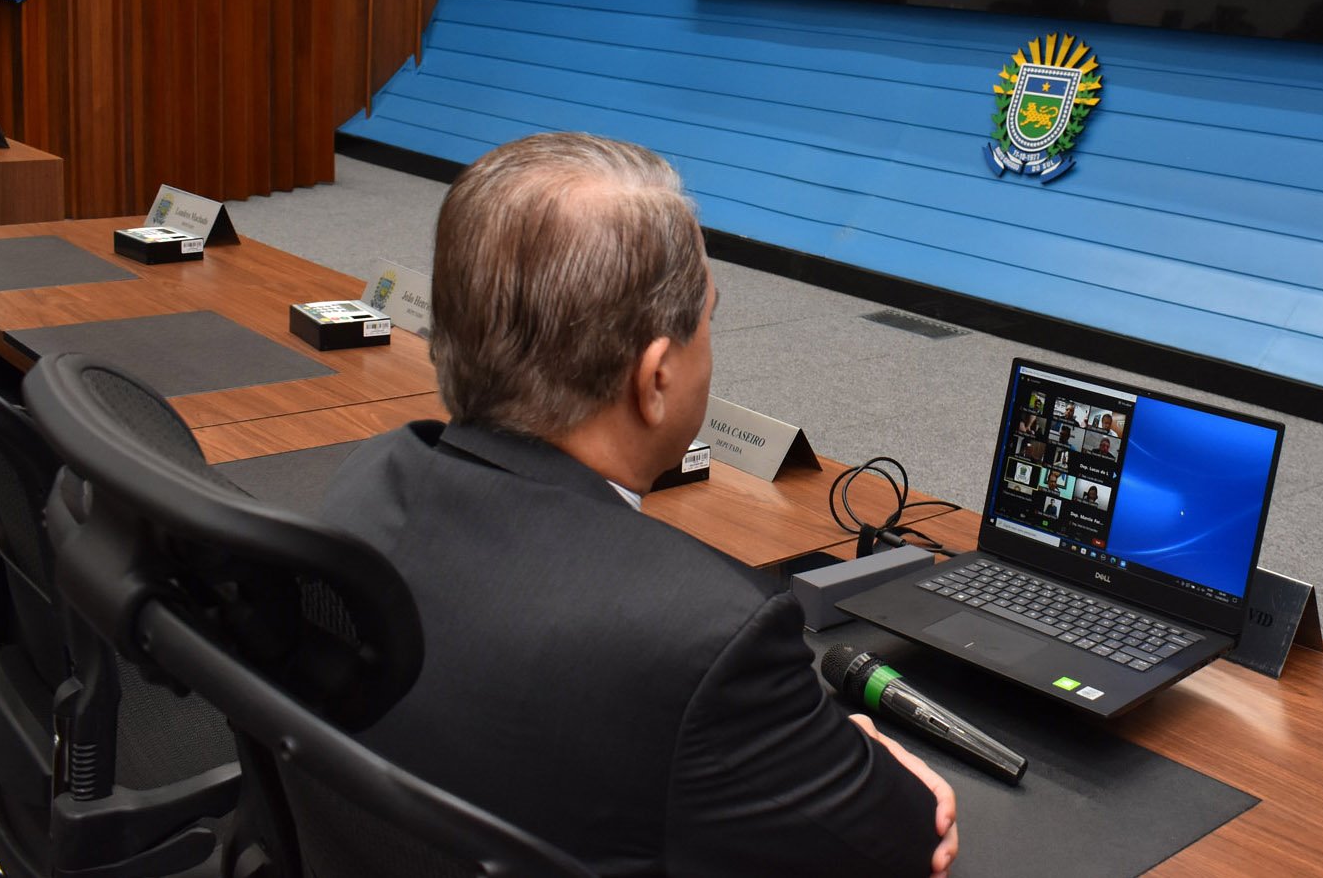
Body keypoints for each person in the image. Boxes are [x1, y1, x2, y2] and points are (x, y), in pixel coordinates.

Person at [320, 132, 957, 878]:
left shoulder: (369, 477)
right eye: (708, 319)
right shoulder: (708, 636)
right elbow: (905, 842)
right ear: (655, 380)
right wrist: (843, 752)